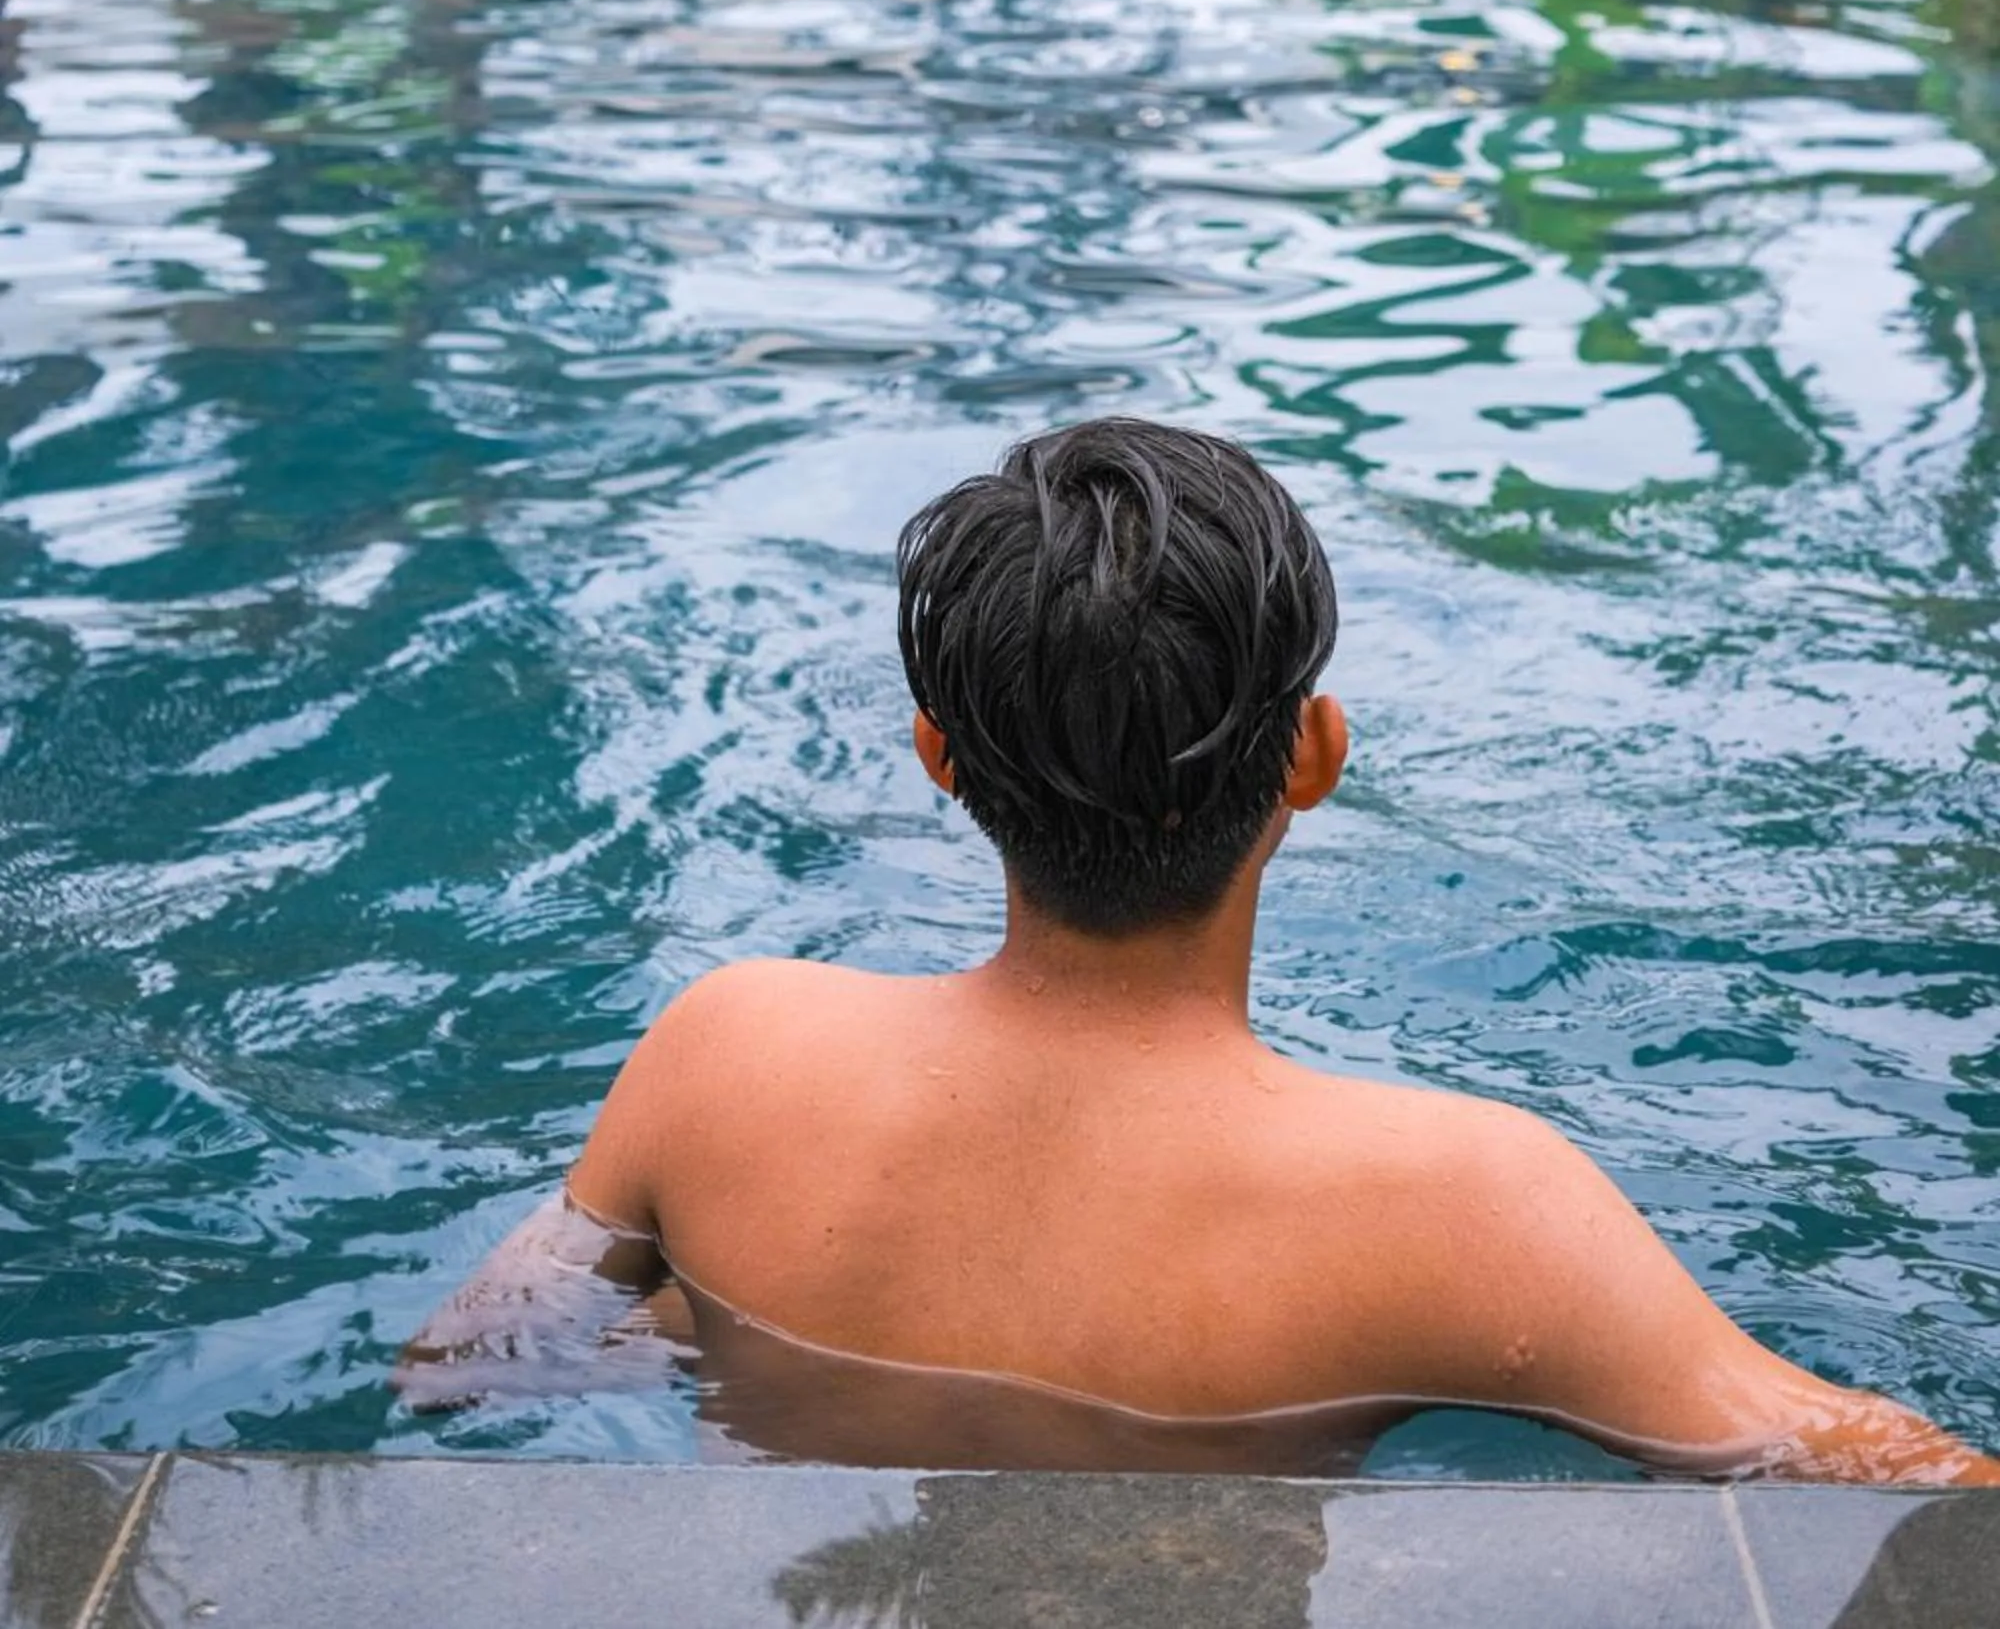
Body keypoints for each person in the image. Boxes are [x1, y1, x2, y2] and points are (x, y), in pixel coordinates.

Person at [403, 419, 1998, 1483]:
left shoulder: (732, 1055)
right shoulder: (1462, 1209)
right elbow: (1853, 1470)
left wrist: (742, 1306)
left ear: (939, 759)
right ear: (1315, 755)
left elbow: (467, 1378)